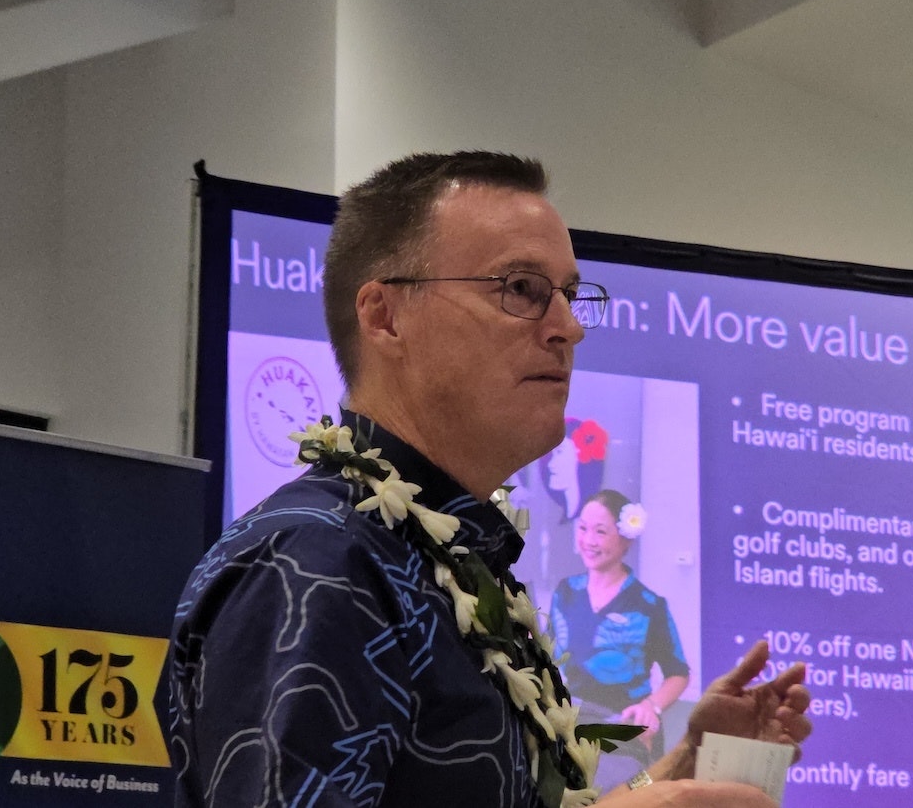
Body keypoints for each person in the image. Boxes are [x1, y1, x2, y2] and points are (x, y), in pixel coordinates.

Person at [168, 151, 811, 808]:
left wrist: (676, 768)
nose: (569, 327)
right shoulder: (316, 562)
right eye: (521, 289)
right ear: (386, 316)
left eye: (567, 293)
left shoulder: (451, 560)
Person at [551, 489, 689, 791]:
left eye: (600, 531)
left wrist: (651, 707)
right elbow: (549, 655)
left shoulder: (649, 605)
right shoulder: (566, 593)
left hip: (625, 728)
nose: (589, 540)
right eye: (583, 528)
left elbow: (678, 673)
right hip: (570, 725)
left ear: (625, 538)